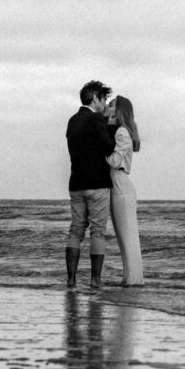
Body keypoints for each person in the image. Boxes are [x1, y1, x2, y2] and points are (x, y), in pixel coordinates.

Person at [65, 80, 115, 289]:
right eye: (103, 100)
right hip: (97, 183)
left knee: (76, 230)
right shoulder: (96, 120)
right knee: (97, 231)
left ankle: (71, 279)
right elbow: (108, 147)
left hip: (76, 182)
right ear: (95, 98)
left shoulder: (72, 121)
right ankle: (95, 279)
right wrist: (110, 127)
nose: (104, 105)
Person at [106, 95, 144, 286]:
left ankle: (134, 279)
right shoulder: (122, 131)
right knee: (125, 236)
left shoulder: (121, 132)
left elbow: (114, 160)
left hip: (120, 183)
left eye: (111, 105)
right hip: (119, 183)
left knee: (127, 236)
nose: (108, 108)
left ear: (119, 111)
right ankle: (130, 278)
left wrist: (101, 149)